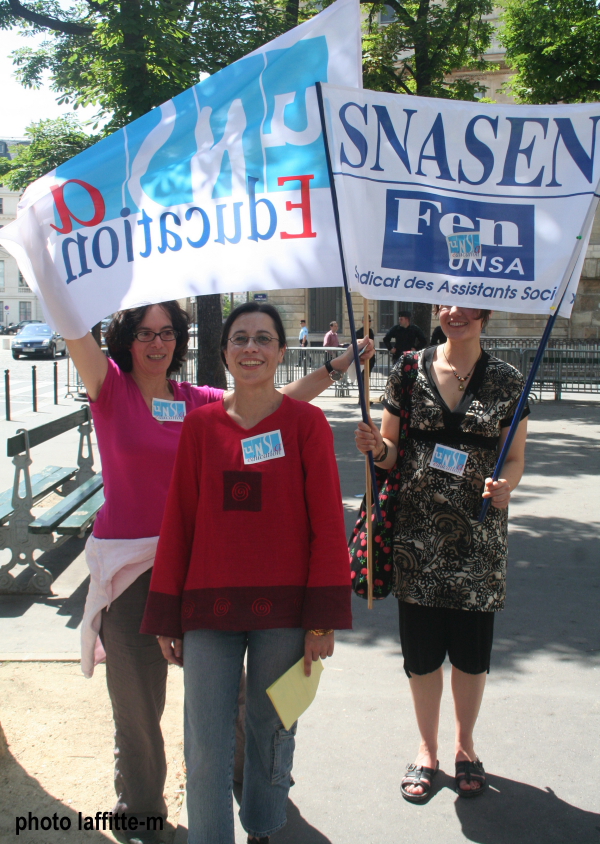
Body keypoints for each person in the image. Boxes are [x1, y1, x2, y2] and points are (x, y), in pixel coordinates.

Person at [67, 301, 372, 844]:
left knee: (257, 722)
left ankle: (257, 810)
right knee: (148, 715)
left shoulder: (195, 404)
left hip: (235, 581)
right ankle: (144, 817)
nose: (156, 343)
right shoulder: (115, 391)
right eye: (144, 333)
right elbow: (184, 513)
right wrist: (53, 280)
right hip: (151, 577)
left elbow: (270, 405)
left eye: (167, 333)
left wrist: (338, 366)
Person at [141, 302, 352, 844]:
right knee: (206, 741)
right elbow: (179, 522)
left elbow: (327, 524)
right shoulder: (200, 426)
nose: (251, 348)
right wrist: (167, 614)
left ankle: (263, 825)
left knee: (272, 728)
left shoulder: (307, 424)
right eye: (239, 339)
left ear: (282, 351)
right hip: (207, 611)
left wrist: (323, 619)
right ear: (224, 353)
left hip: (286, 613)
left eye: (263, 338)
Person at [354, 304, 528, 804]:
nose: (456, 313)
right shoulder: (409, 368)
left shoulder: (507, 380)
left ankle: (465, 747)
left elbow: (513, 457)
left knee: (472, 658)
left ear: (485, 313)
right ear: (436, 310)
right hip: (416, 540)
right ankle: (427, 749)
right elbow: (389, 451)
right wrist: (375, 447)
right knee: (423, 656)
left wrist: (505, 487)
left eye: (468, 306)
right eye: (446, 304)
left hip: (478, 540)